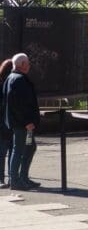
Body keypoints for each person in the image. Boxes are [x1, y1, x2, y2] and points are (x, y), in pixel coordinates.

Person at [2, 54, 40, 190]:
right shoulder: (18, 79)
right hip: (22, 124)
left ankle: (22, 177)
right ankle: (15, 180)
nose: (29, 65)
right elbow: (18, 105)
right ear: (22, 64)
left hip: (20, 123)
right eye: (28, 63)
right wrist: (27, 121)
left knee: (29, 147)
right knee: (19, 149)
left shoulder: (11, 78)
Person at [0, 60, 12, 188]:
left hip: (4, 122)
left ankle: (3, 178)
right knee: (6, 151)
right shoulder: (6, 84)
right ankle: (9, 177)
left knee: (3, 152)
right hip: (6, 122)